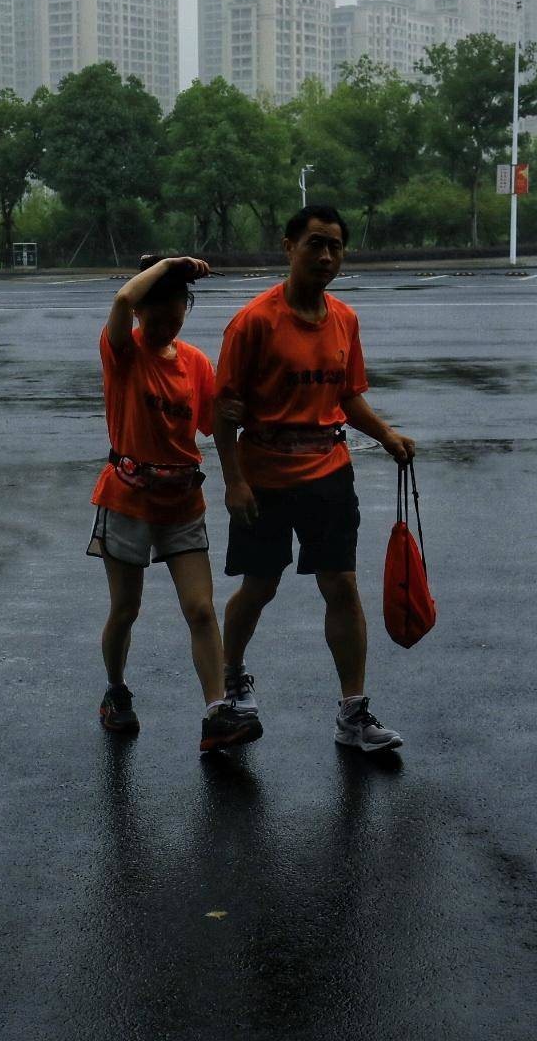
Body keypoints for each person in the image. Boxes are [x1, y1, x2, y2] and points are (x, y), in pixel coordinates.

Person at [213, 205, 416, 754]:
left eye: (335, 246)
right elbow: (223, 411)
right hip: (264, 476)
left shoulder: (344, 319)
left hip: (328, 472)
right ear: (288, 247)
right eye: (315, 245)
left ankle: (354, 712)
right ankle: (231, 684)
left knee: (342, 586)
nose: (326, 256)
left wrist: (387, 435)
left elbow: (346, 396)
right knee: (259, 586)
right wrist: (233, 482)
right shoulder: (254, 322)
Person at [90, 255, 263, 753]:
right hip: (126, 499)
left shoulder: (193, 362)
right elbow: (121, 299)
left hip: (183, 503)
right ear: (142, 315)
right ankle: (116, 693)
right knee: (126, 609)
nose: (168, 327)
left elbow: (217, 426)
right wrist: (168, 264)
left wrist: (237, 465)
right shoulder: (121, 352)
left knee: (200, 610)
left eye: (177, 316)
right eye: (159, 318)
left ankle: (216, 714)